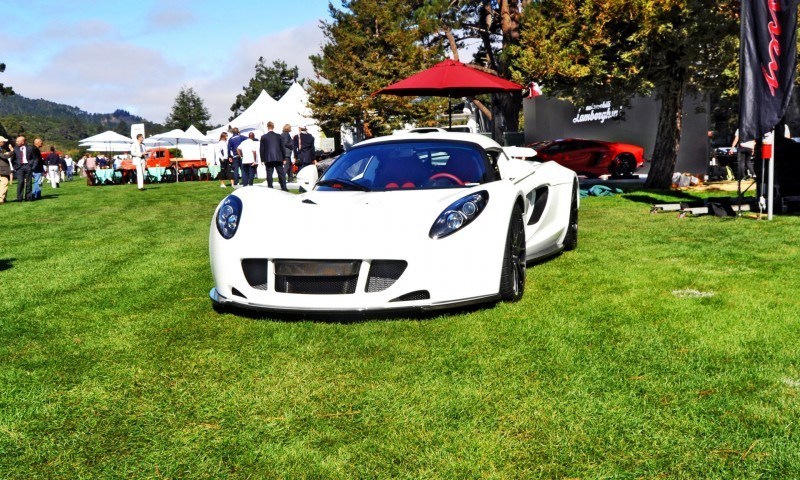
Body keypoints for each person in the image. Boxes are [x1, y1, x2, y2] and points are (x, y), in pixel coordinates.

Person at [260, 121, 288, 191]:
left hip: (268, 158)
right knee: (281, 174)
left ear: (267, 127)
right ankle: (284, 187)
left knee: (269, 174)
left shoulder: (263, 137)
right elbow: (282, 147)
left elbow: (261, 149)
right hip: (278, 157)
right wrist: (284, 158)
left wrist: (262, 159)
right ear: (273, 127)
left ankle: (270, 188)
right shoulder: (279, 136)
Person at [13, 136, 35, 201]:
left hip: (28, 166)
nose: (16, 142)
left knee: (29, 182)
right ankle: (19, 198)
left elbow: (35, 158)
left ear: (23, 142)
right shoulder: (15, 149)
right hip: (19, 167)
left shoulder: (30, 148)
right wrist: (15, 166)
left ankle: (28, 197)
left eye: (18, 141)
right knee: (20, 182)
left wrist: (32, 166)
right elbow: (12, 159)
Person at [0, 136, 13, 203]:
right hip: (2, 168)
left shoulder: (1, 149)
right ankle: (1, 198)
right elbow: (5, 157)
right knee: (4, 183)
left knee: (3, 183)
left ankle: (4, 198)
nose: (4, 143)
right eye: (3, 142)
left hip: (3, 168)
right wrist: (11, 151)